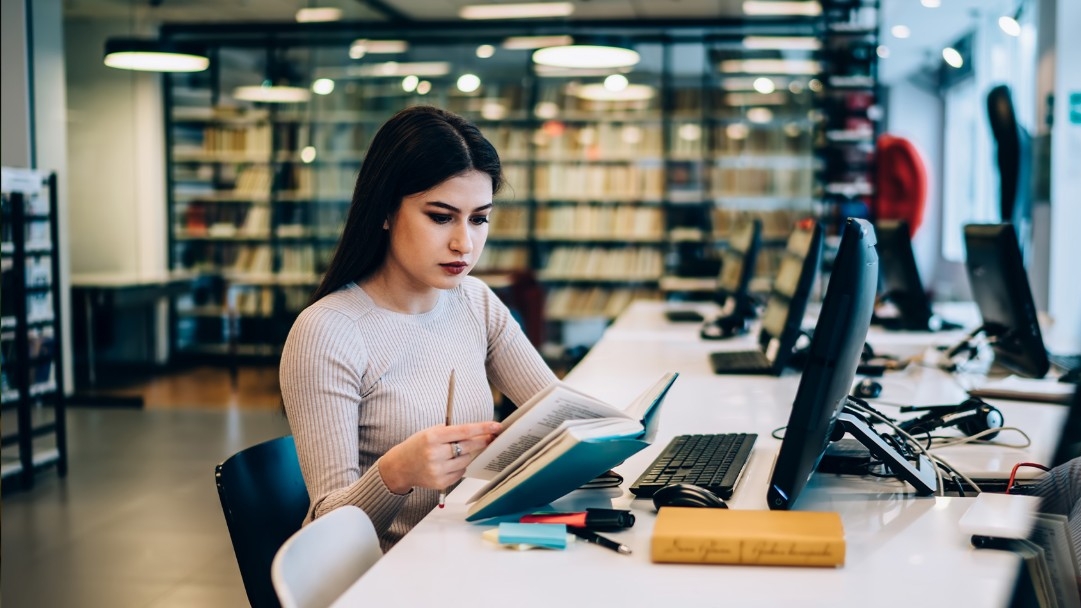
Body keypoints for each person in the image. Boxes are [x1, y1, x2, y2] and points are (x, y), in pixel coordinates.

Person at [280, 105, 557, 551]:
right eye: (441, 216)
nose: (464, 243)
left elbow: (556, 416)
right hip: (393, 575)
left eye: (479, 218)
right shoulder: (327, 331)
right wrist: (398, 473)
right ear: (385, 211)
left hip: (473, 549)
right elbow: (324, 534)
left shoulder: (474, 300)